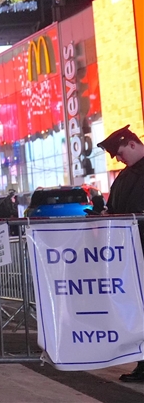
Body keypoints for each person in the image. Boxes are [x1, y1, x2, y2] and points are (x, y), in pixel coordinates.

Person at [97, 125, 144, 383]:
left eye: (121, 153)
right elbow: (113, 207)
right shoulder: (124, 178)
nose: (119, 159)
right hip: (133, 256)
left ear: (133, 144)